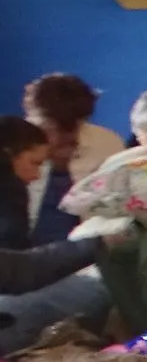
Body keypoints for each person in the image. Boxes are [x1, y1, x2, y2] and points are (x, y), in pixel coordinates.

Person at [23, 74, 125, 246]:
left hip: (87, 256)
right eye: (46, 127)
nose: (54, 139)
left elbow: (120, 212)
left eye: (65, 130)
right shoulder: (10, 145)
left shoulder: (108, 145)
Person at [0, 116, 49, 251]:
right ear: (8, 155)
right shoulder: (11, 190)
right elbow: (15, 260)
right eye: (34, 163)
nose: (37, 175)